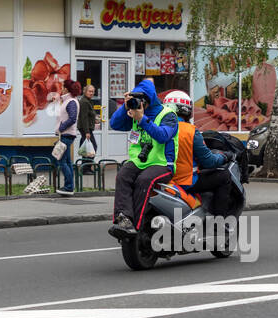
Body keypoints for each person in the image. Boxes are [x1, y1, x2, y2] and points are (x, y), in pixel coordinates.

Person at [108, 78, 178, 236]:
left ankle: (136, 227)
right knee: (122, 176)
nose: (139, 106)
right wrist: (125, 106)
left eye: (140, 102)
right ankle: (124, 219)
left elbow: (163, 136)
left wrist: (142, 119)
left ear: (149, 100)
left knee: (144, 180)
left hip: (162, 164)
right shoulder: (136, 112)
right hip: (139, 161)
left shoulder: (168, 115)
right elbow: (115, 124)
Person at [160, 89, 229, 213]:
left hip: (161, 178)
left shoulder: (156, 128)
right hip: (185, 181)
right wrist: (224, 156)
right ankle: (220, 222)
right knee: (224, 177)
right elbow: (209, 161)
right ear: (187, 111)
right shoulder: (190, 131)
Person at [54, 79, 81, 196]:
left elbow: (72, 118)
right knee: (67, 161)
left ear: (67, 89)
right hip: (66, 134)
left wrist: (61, 127)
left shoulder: (71, 102)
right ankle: (69, 186)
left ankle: (69, 187)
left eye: (63, 86)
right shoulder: (68, 101)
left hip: (67, 134)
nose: (61, 88)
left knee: (61, 160)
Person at [78, 83, 98, 157]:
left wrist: (94, 119)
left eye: (92, 91)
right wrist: (87, 132)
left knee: (86, 148)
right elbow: (84, 117)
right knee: (93, 147)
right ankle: (86, 167)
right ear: (85, 91)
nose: (91, 93)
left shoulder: (88, 101)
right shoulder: (84, 102)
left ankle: (85, 166)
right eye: (90, 91)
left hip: (86, 128)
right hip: (85, 128)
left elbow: (89, 114)